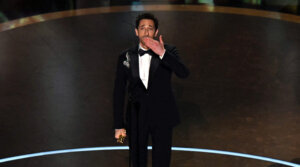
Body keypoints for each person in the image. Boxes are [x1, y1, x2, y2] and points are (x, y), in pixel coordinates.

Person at [113, 13, 189, 167]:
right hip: (136, 117)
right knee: (136, 160)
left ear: (156, 32)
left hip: (162, 116)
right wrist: (118, 126)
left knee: (162, 160)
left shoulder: (169, 51)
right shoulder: (125, 56)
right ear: (136, 32)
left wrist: (162, 53)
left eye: (150, 28)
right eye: (142, 28)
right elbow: (118, 92)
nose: (146, 32)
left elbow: (184, 73)